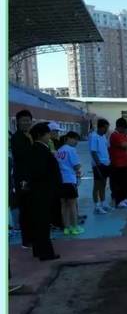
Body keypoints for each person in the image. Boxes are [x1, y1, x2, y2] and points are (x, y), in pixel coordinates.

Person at [28, 123, 62, 261]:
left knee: (39, 222)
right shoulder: (40, 150)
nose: (49, 136)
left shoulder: (40, 148)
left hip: (41, 190)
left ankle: (39, 250)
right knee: (43, 222)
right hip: (43, 191)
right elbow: (43, 172)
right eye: (48, 133)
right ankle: (46, 253)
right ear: (40, 135)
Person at [11, 109, 33, 248]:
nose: (26, 123)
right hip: (22, 179)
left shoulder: (29, 135)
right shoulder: (16, 138)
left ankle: (33, 237)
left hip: (30, 177)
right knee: (25, 208)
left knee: (31, 207)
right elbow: (22, 156)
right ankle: (26, 241)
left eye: (28, 120)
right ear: (18, 122)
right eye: (23, 120)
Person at [55, 132, 83, 235]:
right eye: (75, 139)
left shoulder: (59, 150)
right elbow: (76, 166)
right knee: (72, 205)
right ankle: (75, 227)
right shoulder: (71, 150)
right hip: (70, 180)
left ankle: (66, 228)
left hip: (60, 180)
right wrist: (79, 169)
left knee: (64, 205)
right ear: (68, 138)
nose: (76, 142)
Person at [109, 118, 127, 208]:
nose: (124, 130)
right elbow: (125, 145)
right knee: (119, 183)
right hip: (118, 163)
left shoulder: (122, 135)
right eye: (123, 128)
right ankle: (118, 201)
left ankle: (123, 198)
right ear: (119, 127)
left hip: (125, 163)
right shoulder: (115, 135)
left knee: (124, 182)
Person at [89, 118, 111, 214]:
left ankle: (103, 203)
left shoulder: (103, 136)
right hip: (98, 165)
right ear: (100, 127)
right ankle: (96, 206)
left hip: (106, 164)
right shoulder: (94, 136)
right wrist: (98, 165)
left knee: (103, 184)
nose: (106, 130)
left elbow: (105, 149)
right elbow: (93, 152)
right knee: (97, 186)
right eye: (105, 128)